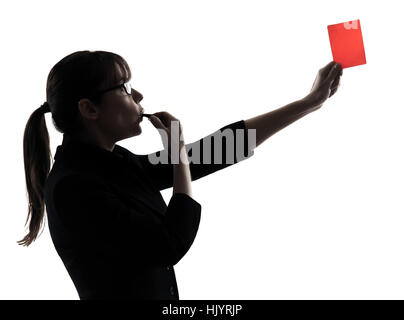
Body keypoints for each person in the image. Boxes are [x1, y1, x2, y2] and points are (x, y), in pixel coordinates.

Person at [18, 50, 342, 300]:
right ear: (89, 109)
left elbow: (216, 151)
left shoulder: (111, 162)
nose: (139, 96)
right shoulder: (73, 187)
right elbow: (170, 243)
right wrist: (177, 151)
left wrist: (308, 103)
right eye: (125, 87)